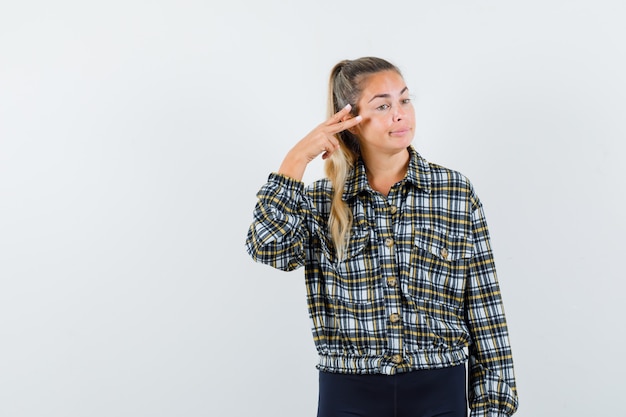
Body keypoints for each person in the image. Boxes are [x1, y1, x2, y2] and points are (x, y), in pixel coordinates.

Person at [245, 57, 518, 417]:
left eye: (405, 100)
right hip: (349, 395)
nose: (400, 114)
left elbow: (484, 309)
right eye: (383, 105)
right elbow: (268, 248)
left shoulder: (454, 192)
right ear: (351, 122)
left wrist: (493, 406)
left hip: (440, 393)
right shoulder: (321, 202)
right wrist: (296, 158)